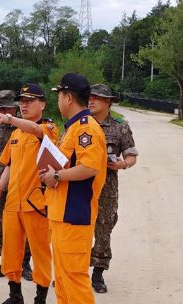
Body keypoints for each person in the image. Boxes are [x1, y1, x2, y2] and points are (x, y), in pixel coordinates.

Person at [39, 73, 107, 304]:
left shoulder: (86, 129)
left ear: (68, 97)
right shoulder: (72, 128)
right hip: (60, 215)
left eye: (58, 95)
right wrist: (51, 174)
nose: (58, 101)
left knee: (74, 278)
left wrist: (56, 175)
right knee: (62, 277)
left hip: (75, 215)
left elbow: (90, 167)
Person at [0, 83, 59, 304]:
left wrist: (9, 119)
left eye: (30, 101)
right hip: (13, 203)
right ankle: (15, 295)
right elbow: (9, 165)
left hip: (36, 203)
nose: (24, 105)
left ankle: (40, 298)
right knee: (11, 251)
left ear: (43, 104)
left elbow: (36, 131)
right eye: (21, 101)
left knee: (40, 252)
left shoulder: (48, 128)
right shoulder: (17, 134)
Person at [88, 84, 138, 293]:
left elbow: (131, 156)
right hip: (81, 188)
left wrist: (123, 164)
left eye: (96, 98)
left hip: (107, 190)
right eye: (89, 97)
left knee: (103, 230)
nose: (90, 101)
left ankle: (98, 273)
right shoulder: (80, 125)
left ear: (107, 102)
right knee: (77, 230)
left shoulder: (120, 127)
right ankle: (74, 271)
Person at [0, 90, 33, 281]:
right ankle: (6, 261)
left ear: (15, 107)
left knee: (24, 224)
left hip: (24, 182)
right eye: (0, 108)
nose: (2, 111)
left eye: (6, 108)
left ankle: (24, 263)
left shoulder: (25, 126)